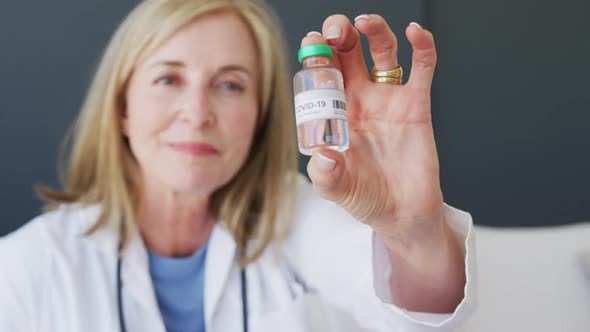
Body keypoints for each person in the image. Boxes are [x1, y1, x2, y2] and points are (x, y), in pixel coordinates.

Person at [0, 0, 475, 331]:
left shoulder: (296, 217)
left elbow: (418, 311)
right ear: (122, 107)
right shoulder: (26, 266)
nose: (197, 112)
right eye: (168, 78)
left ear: (261, 115)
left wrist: (411, 230)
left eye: (230, 85)